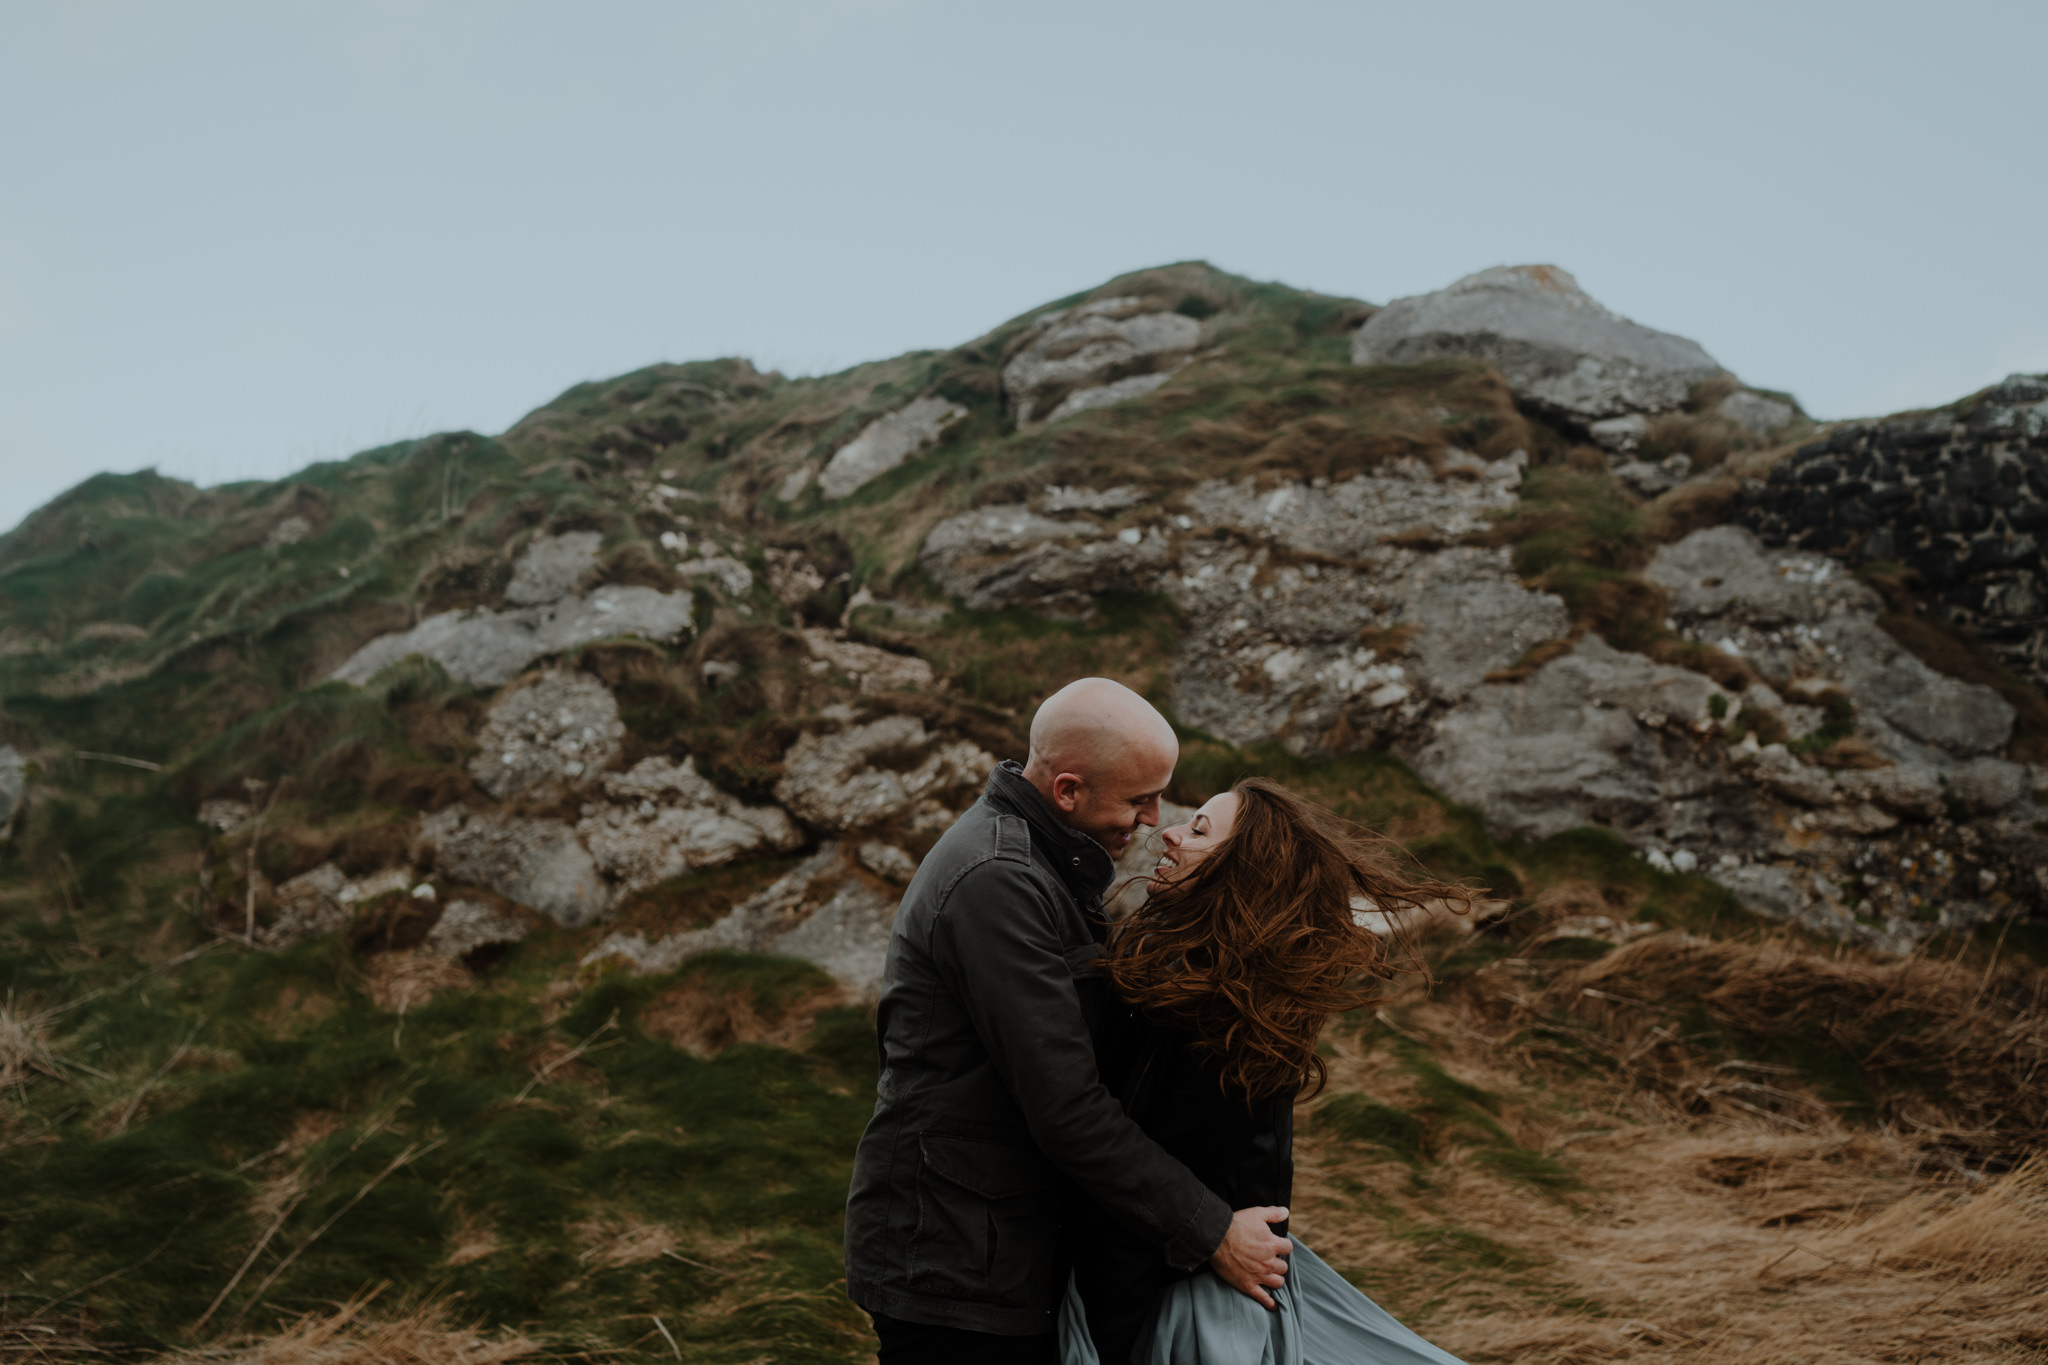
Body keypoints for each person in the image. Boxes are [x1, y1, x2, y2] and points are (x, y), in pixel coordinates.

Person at [844, 679, 1295, 1364]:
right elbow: (1068, 1106)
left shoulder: (1047, 862)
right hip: (957, 1266)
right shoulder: (998, 879)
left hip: (996, 1248)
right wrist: (1211, 1231)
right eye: (1139, 798)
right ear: (1068, 791)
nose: (1153, 818)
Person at [1059, 777, 1474, 1365]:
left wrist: (1104, 1340)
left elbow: (1150, 1176)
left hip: (1191, 1310)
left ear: (1243, 870)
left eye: (1199, 829)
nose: (1169, 833)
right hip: (1198, 1284)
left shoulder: (1216, 1012)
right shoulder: (1227, 990)